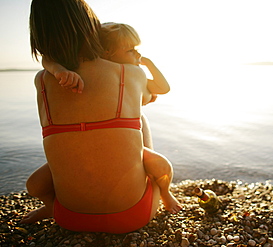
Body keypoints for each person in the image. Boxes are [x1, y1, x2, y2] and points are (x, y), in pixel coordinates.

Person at [23, 0, 180, 234]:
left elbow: (48, 60)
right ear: (89, 22)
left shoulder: (43, 81)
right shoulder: (130, 74)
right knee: (140, 118)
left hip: (68, 216)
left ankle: (50, 206)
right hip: (132, 214)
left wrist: (55, 68)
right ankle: (164, 191)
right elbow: (155, 92)